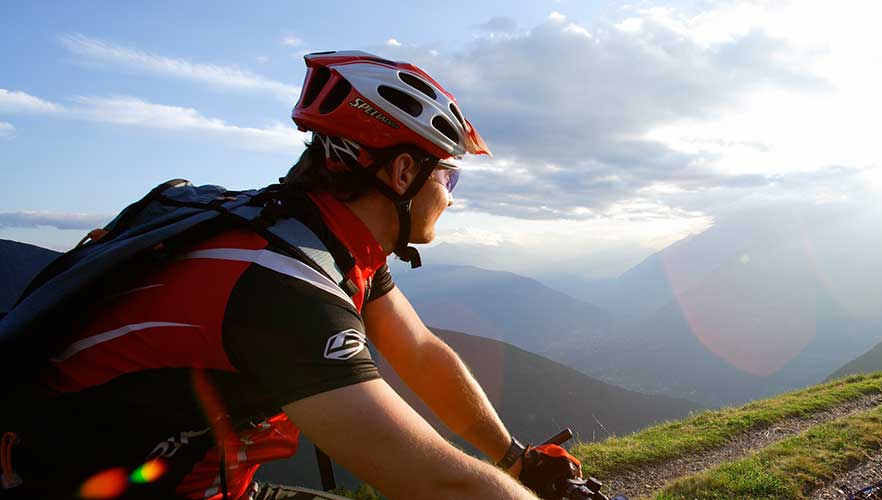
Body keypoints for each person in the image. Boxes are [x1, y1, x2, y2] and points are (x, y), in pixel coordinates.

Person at [2, 51, 576, 500]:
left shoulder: (315, 242)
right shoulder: (280, 287)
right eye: (448, 180)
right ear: (403, 172)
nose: (450, 199)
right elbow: (434, 483)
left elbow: (420, 352)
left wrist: (514, 457)